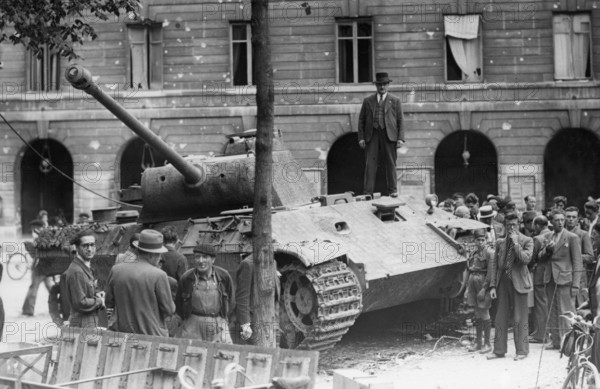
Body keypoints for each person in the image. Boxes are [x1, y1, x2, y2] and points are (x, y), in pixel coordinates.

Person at [105, 229, 175, 336]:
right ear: (152, 255)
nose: (160, 258)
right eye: (159, 254)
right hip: (151, 337)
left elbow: (108, 302)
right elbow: (169, 310)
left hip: (121, 334)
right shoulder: (159, 275)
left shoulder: (116, 270)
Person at [487, 212, 534, 361]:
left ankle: (522, 351)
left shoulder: (527, 240)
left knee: (520, 318)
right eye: (509, 225)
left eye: (514, 224)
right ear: (505, 226)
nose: (511, 227)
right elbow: (495, 265)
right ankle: (499, 350)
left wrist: (515, 243)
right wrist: (493, 285)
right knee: (500, 317)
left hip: (519, 283)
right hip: (503, 283)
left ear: (519, 224)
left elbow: (526, 259)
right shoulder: (500, 242)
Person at [539, 210, 583, 350]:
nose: (560, 222)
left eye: (562, 220)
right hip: (550, 278)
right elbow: (540, 257)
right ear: (551, 222)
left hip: (565, 280)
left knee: (567, 312)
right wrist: (547, 250)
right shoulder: (547, 237)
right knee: (552, 310)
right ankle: (556, 340)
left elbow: (577, 262)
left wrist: (576, 284)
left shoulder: (572, 237)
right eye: (556, 220)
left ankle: (570, 343)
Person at [358, 72, 404, 197]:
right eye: (379, 85)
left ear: (388, 85)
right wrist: (361, 138)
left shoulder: (395, 101)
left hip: (389, 135)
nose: (382, 87)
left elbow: (400, 120)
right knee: (370, 164)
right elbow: (361, 120)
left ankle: (393, 191)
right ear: (376, 86)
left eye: (384, 84)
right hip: (372, 134)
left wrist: (400, 139)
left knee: (390, 163)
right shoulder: (368, 101)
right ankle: (368, 193)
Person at [176, 244, 234, 343]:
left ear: (213, 259)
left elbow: (231, 302)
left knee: (222, 354)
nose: (201, 261)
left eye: (205, 257)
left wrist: (223, 321)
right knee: (191, 354)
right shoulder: (186, 278)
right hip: (193, 325)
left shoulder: (224, 276)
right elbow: (179, 304)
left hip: (217, 323)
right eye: (198, 257)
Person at [235, 255, 280, 346]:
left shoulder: (273, 261)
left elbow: (275, 295)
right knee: (257, 355)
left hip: (270, 319)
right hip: (255, 321)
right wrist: (245, 325)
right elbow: (242, 298)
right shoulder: (247, 264)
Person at [64, 231, 104, 329]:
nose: (90, 249)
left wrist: (97, 294)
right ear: (77, 248)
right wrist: (99, 301)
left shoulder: (84, 267)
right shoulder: (77, 271)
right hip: (82, 324)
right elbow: (80, 303)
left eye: (92, 245)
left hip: (87, 322)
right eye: (85, 246)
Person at [465, 229, 494, 353]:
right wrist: (467, 288)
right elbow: (469, 270)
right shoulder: (473, 253)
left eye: (483, 240)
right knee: (477, 313)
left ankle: (487, 343)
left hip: (483, 282)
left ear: (486, 240)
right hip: (473, 282)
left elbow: (491, 272)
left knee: (484, 312)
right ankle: (478, 342)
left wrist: (484, 289)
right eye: (478, 240)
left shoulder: (489, 253)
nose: (481, 242)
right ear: (474, 240)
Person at [22, 218, 55, 316]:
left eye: (33, 228)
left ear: (36, 227)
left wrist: (33, 265)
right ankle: (59, 305)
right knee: (50, 288)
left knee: (33, 288)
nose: (32, 230)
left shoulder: (40, 238)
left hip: (40, 268)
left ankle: (28, 310)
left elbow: (37, 255)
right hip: (47, 268)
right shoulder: (46, 236)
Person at [528, 215, 551, 344]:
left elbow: (532, 258)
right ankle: (546, 332)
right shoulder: (553, 234)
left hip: (539, 274)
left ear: (537, 225)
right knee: (546, 303)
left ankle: (540, 334)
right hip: (550, 274)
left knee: (540, 305)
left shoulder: (537, 238)